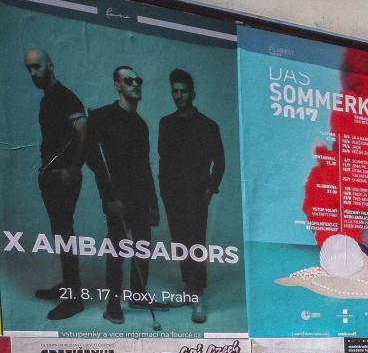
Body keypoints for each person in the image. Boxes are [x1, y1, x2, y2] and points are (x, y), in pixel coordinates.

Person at [85, 65, 159, 325]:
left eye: (138, 80)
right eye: (128, 81)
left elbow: (145, 165)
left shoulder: (141, 125)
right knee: (117, 248)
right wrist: (108, 197)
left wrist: (153, 203)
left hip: (140, 195)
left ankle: (138, 295)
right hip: (116, 194)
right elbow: (94, 158)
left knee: (143, 246)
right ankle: (112, 303)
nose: (135, 84)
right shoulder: (102, 116)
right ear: (117, 86)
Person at [24, 49, 87, 319]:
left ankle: (74, 299)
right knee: (61, 234)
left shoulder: (64, 96)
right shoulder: (47, 100)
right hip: (49, 176)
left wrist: (73, 169)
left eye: (37, 67)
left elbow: (83, 130)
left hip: (63, 176)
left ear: (50, 66)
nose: (33, 73)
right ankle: (68, 287)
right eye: (28, 69)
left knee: (65, 233)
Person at [158, 68, 224, 324]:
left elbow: (219, 162)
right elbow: (164, 159)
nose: (179, 96)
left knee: (195, 244)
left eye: (184, 91)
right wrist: (163, 189)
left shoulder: (208, 126)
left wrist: (209, 190)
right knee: (179, 242)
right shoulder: (166, 123)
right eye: (175, 91)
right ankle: (188, 287)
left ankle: (198, 298)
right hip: (172, 193)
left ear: (192, 93)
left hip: (197, 194)